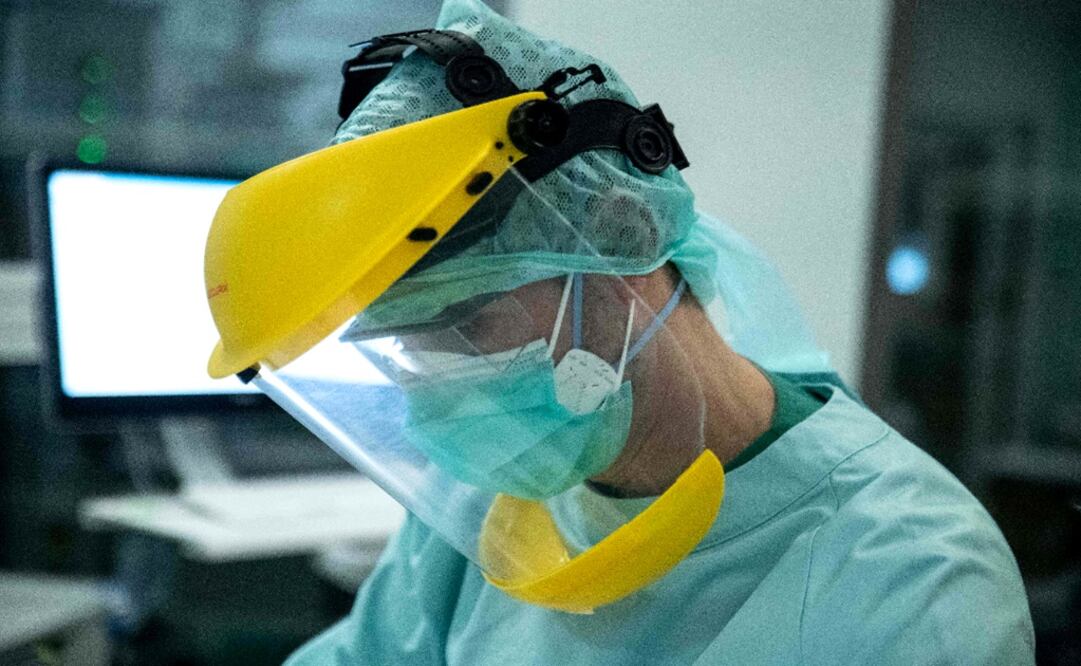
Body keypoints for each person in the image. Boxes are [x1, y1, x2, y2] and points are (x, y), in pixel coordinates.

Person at [203, 0, 1034, 663]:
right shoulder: (490, 505)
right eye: (405, 348)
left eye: (464, 321)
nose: (437, 388)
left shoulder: (910, 583)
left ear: (618, 231)